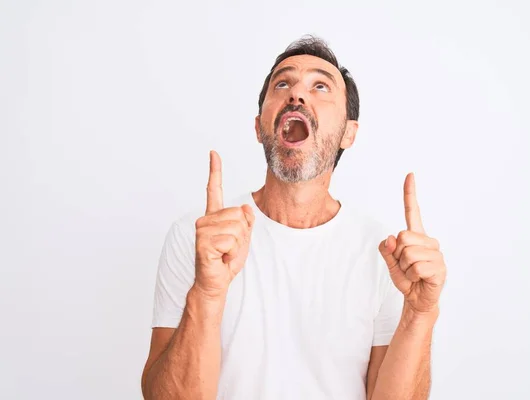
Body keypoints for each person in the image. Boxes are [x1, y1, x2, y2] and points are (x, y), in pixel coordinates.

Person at [141, 35, 447, 400]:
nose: (296, 95)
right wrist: (206, 293)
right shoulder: (199, 239)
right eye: (282, 83)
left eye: (320, 86)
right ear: (259, 126)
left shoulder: (386, 255)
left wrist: (420, 312)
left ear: (348, 133)